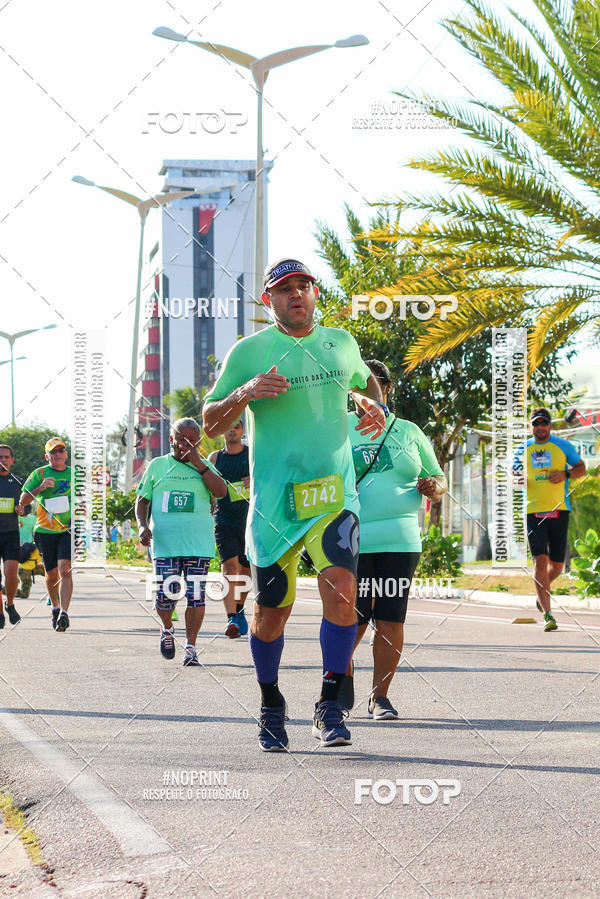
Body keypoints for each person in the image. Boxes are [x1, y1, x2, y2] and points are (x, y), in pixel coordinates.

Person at [203, 257, 386, 751]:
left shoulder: (340, 343)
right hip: (274, 507)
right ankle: (270, 704)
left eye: (305, 286)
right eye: (286, 289)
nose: (297, 295)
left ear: (315, 294)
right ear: (270, 300)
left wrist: (373, 404)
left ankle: (329, 705)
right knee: (271, 612)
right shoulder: (250, 352)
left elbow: (365, 381)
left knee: (342, 589)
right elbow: (210, 423)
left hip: (333, 493)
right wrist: (245, 391)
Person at [340, 360, 447, 719]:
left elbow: (438, 478)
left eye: (374, 384)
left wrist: (434, 486)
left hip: (400, 540)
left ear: (386, 388)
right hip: (352, 538)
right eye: (358, 386)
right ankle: (340, 677)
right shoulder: (340, 431)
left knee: (389, 619)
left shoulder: (409, 431)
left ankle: (379, 697)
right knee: (353, 618)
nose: (367, 392)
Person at [136, 418, 227, 666]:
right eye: (181, 438)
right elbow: (142, 500)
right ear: (171, 440)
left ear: (198, 441)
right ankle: (167, 629)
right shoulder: (157, 465)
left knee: (196, 597)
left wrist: (198, 462)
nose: (186, 443)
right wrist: (143, 526)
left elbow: (221, 492)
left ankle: (190, 647)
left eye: (192, 439)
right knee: (166, 595)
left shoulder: (205, 466)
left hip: (198, 544)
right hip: (166, 544)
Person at [514, 408, 585, 632]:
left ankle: (541, 591)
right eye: (536, 424)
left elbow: (581, 468)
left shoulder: (563, 446)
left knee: (557, 565)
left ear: (550, 426)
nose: (540, 427)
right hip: (533, 511)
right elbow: (513, 473)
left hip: (559, 510)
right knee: (540, 561)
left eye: (544, 423)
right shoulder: (522, 449)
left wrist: (564, 475)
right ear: (530, 426)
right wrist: (518, 478)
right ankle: (548, 614)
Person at [20, 438, 72, 631]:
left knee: (65, 569)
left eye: (61, 451)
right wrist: (40, 488)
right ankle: (55, 608)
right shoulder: (39, 473)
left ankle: (65, 613)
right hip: (44, 530)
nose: (57, 454)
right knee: (51, 574)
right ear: (47, 455)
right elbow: (23, 501)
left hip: (67, 529)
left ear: (66, 454)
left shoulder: (75, 474)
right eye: (53, 452)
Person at [208, 419, 251, 639]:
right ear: (223, 431)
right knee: (229, 569)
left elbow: (267, 478)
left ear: (243, 430)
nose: (232, 429)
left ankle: (240, 608)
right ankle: (231, 618)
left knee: (246, 571)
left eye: (237, 426)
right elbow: (207, 485)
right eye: (229, 426)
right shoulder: (215, 458)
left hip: (249, 520)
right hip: (224, 520)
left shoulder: (251, 454)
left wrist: (253, 480)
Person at [0, 444, 25, 627]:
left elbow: (29, 505)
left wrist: (22, 509)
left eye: (6, 457)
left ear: (12, 460)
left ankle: (10, 604)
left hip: (11, 534)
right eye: (0, 457)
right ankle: (0, 612)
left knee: (11, 574)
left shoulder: (18, 482)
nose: (3, 460)